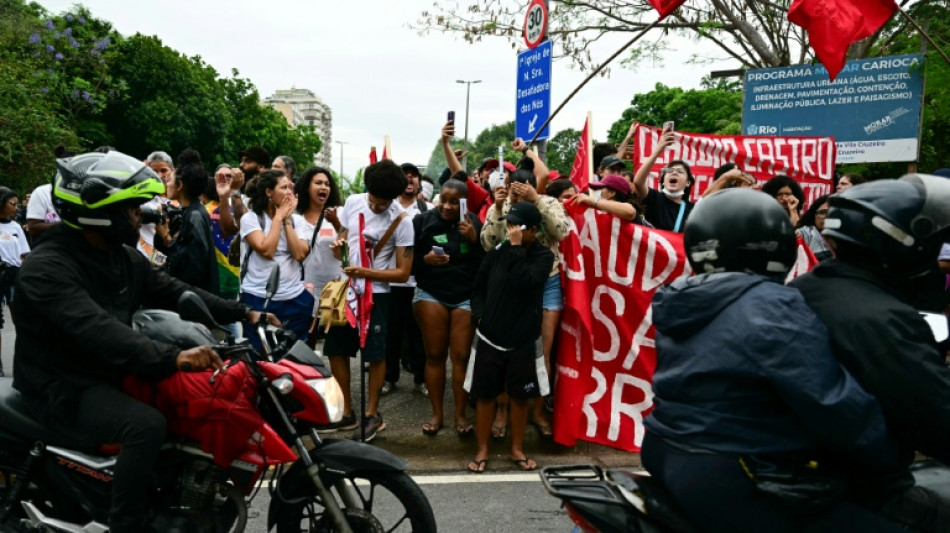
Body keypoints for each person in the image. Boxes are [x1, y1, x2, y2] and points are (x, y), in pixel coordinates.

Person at [13, 150, 274, 533]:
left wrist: (245, 313)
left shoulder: (120, 257)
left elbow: (176, 290)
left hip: (105, 373)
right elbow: (100, 331)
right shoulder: (47, 268)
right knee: (145, 425)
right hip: (62, 385)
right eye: (132, 208)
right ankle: (127, 524)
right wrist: (176, 358)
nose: (143, 215)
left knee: (186, 410)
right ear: (98, 212)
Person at [642, 188, 904, 533]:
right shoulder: (772, 305)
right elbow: (828, 399)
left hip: (666, 451)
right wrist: (887, 452)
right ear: (777, 245)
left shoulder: (682, 296)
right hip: (734, 466)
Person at [791, 174, 950, 531]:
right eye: (933, 242)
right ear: (901, 244)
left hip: (808, 470)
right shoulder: (879, 320)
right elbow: (937, 416)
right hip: (849, 487)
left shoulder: (809, 286)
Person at [323, 160, 414, 442]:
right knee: (336, 348)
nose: (375, 208)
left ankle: (372, 413)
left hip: (379, 296)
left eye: (382, 205)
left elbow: (402, 273)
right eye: (373, 202)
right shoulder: (353, 201)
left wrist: (365, 272)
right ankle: (346, 410)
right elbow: (346, 235)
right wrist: (340, 241)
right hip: (347, 291)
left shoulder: (403, 221)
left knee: (376, 354)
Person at [480, 154, 569, 440]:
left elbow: (560, 233)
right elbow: (487, 244)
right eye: (514, 189)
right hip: (511, 285)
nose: (518, 194)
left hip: (548, 282)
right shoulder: (503, 206)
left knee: (542, 351)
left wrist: (537, 201)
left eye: (524, 190)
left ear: (533, 186)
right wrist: (497, 208)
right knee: (507, 349)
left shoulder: (550, 202)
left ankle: (538, 410)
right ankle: (503, 410)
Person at [468, 202, 554, 473]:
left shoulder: (542, 257)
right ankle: (482, 449)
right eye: (510, 225)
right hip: (490, 336)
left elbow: (527, 282)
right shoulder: (496, 253)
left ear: (533, 231)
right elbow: (478, 286)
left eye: (517, 226)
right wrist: (480, 314)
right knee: (485, 395)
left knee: (519, 396)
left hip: (523, 339)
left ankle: (517, 449)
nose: (511, 230)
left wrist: (516, 249)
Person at [412, 178, 484, 437]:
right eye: (444, 199)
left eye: (455, 202)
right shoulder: (422, 221)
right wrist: (425, 260)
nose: (448, 206)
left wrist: (475, 240)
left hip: (465, 297)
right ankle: (437, 413)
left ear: (464, 202)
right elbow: (407, 264)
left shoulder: (473, 222)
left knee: (461, 357)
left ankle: (460, 414)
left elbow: (484, 264)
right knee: (434, 355)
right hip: (432, 293)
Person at [239, 169, 313, 347]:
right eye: (284, 187)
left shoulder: (297, 221)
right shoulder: (251, 219)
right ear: (268, 192)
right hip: (259, 298)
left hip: (294, 299)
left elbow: (300, 254)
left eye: (290, 187)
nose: (289, 192)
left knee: (293, 357)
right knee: (261, 357)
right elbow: (267, 250)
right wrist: (278, 217)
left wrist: (286, 220)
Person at [382, 162, 432, 396]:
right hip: (390, 281)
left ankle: (421, 379)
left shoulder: (427, 209)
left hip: (418, 283)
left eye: (414, 176)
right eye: (406, 176)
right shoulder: (386, 208)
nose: (410, 180)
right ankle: (389, 377)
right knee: (390, 334)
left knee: (418, 335)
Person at [154, 150, 219, 295]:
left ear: (180, 185)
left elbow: (192, 270)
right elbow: (163, 258)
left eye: (170, 180)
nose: (167, 184)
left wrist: (166, 238)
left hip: (194, 301)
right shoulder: (190, 212)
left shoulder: (194, 216)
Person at [293, 166, 343, 345]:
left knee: (335, 345)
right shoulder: (294, 215)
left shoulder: (340, 213)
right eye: (318, 183)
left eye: (327, 184)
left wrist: (337, 223)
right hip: (303, 288)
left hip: (335, 290)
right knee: (306, 341)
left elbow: (349, 250)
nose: (324, 187)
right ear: (307, 187)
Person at [632, 124, 695, 232]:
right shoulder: (654, 199)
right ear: (663, 181)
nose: (674, 173)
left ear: (688, 182)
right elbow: (637, 182)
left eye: (680, 172)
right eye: (669, 171)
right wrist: (659, 149)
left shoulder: (694, 210)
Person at [0, 187, 29, 376]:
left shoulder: (16, 226)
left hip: (14, 277)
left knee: (22, 320)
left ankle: (25, 362)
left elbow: (24, 254)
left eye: (17, 205)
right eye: (12, 204)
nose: (16, 208)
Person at [203, 164, 243, 301]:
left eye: (228, 176)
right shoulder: (205, 209)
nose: (224, 179)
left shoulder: (241, 206)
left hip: (233, 275)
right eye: (219, 176)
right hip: (210, 275)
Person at [573, 174, 639, 222]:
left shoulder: (626, 213)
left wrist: (593, 201)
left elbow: (630, 212)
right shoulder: (605, 213)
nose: (597, 192)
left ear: (611, 193)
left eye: (600, 188)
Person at [796, 194, 834, 261]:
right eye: (823, 212)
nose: (828, 216)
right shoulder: (808, 232)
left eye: (832, 212)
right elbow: (799, 234)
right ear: (813, 215)